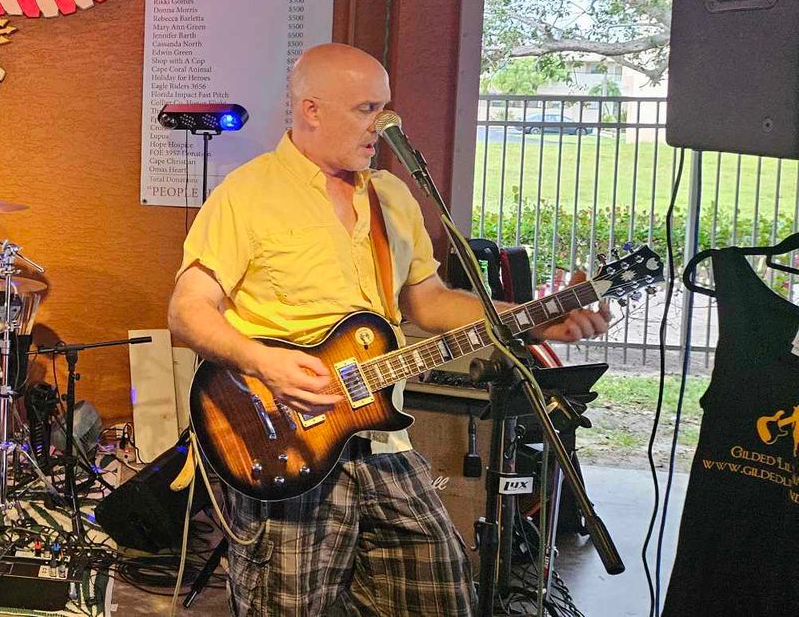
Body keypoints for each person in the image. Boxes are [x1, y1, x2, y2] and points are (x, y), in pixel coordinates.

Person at [167, 43, 610, 616]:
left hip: (382, 439)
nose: (384, 123)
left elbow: (429, 301)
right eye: (366, 109)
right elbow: (187, 310)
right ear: (311, 109)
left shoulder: (393, 196)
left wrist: (529, 320)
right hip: (283, 440)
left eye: (385, 107)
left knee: (441, 593)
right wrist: (263, 362)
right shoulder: (247, 194)